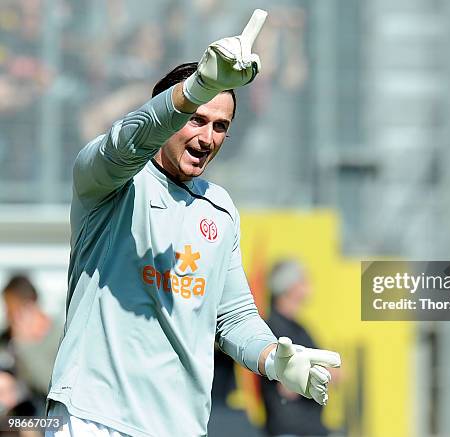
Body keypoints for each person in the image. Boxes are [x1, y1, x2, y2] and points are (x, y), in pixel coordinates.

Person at [45, 11, 340, 437]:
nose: (208, 137)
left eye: (221, 126)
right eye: (196, 119)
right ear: (168, 114)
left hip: (179, 426)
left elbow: (234, 317)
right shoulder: (111, 181)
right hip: (94, 417)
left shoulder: (218, 208)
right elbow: (128, 140)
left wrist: (275, 358)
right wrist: (198, 87)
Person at [261, 260, 340, 437]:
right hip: (288, 429)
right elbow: (287, 386)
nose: (309, 286)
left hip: (312, 428)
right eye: (303, 280)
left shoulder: (301, 329)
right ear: (289, 287)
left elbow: (336, 370)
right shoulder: (273, 329)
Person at [1, 275, 63, 414]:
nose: (8, 316)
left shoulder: (58, 338)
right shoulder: (5, 337)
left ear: (29, 307)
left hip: (46, 421)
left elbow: (50, 386)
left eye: (11, 310)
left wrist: (24, 345)